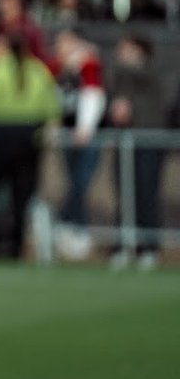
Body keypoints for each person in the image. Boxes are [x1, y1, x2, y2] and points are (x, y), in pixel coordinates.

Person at [0, 35, 61, 260]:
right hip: (29, 138)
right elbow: (52, 108)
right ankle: (16, 246)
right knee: (22, 195)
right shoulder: (39, 71)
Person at [106, 35, 166, 271]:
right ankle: (122, 245)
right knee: (124, 193)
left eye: (127, 50)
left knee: (146, 192)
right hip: (124, 141)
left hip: (148, 141)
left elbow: (147, 82)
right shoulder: (120, 79)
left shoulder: (155, 72)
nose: (121, 55)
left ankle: (148, 247)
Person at [53, 26, 106, 260]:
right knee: (74, 181)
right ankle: (73, 228)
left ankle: (68, 224)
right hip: (68, 132)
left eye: (64, 42)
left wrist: (85, 127)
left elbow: (93, 95)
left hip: (84, 135)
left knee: (79, 182)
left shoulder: (88, 64)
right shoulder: (61, 68)